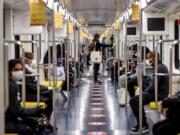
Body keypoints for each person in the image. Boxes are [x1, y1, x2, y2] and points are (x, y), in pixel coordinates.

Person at [129, 52, 169, 134]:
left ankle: (143, 125)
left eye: (150, 59)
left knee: (135, 101)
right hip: (155, 92)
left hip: (159, 94)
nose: (148, 61)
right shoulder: (158, 67)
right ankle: (142, 124)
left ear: (155, 58)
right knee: (134, 100)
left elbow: (153, 86)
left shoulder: (160, 68)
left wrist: (144, 92)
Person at [6, 59, 44, 135]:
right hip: (5, 120)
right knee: (28, 129)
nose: (19, 72)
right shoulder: (11, 86)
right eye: (16, 70)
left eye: (21, 70)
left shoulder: (12, 83)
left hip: (9, 116)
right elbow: (15, 111)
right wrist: (33, 111)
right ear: (8, 71)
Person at [24, 52, 53, 120]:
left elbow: (34, 84)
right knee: (49, 97)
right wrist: (46, 88)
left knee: (50, 94)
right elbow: (32, 86)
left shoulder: (29, 69)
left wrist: (46, 88)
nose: (32, 61)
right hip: (28, 94)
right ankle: (44, 117)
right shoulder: (25, 71)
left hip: (32, 90)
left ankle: (45, 117)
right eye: (30, 60)